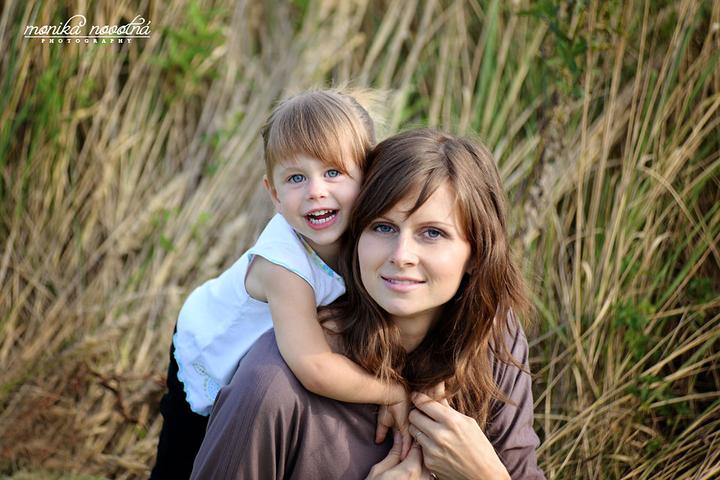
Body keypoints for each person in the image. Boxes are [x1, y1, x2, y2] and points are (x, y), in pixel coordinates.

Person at [190, 129, 545, 479]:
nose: (402, 255)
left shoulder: (491, 336)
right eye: (383, 227)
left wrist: (485, 475)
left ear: (476, 253)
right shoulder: (272, 384)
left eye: (432, 233)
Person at [151, 89, 413, 479]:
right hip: (207, 345)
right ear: (274, 194)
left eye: (333, 172)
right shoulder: (283, 267)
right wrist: (391, 391)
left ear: (368, 177)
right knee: (185, 455)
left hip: (259, 341)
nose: (315, 191)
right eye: (295, 178)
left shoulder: (367, 236)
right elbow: (314, 368)